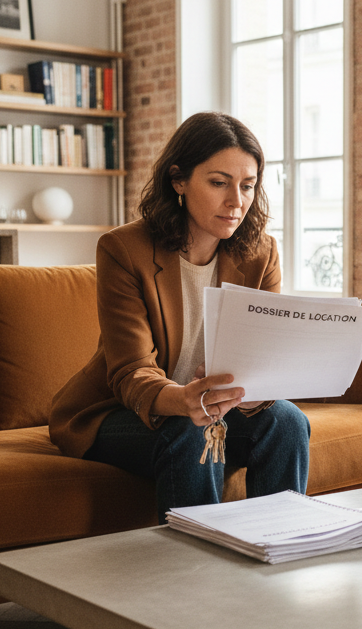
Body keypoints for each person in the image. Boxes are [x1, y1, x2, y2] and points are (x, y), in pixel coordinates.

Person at [50, 112, 311, 522]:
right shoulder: (123, 250)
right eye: (219, 182)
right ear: (178, 181)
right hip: (117, 413)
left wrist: (261, 390)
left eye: (247, 186)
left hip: (211, 410)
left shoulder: (262, 254)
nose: (236, 201)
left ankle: (282, 546)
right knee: (190, 426)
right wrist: (185, 399)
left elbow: (261, 360)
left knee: (287, 421)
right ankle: (195, 579)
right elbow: (130, 371)